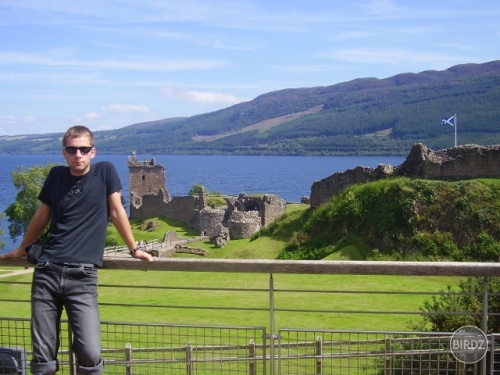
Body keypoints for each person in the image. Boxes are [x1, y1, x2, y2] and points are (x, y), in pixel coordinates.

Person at [2, 125, 153, 375]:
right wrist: (22, 248)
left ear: (93, 151)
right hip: (47, 272)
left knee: (90, 353)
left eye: (84, 149)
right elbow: (43, 215)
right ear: (64, 152)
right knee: (43, 355)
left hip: (82, 277)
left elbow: (116, 211)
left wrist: (134, 248)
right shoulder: (56, 176)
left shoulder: (105, 172)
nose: (78, 155)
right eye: (72, 149)